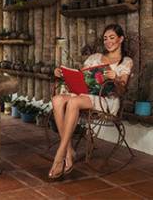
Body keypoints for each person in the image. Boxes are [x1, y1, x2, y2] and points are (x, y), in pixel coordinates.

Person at [48, 23, 132, 179]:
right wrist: (62, 74)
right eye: (105, 38)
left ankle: (60, 155)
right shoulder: (94, 58)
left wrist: (117, 78)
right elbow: (83, 78)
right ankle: (68, 151)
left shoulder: (125, 61)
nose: (108, 41)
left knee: (73, 103)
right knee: (57, 100)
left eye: (112, 37)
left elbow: (122, 91)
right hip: (86, 94)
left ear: (121, 39)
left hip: (107, 100)